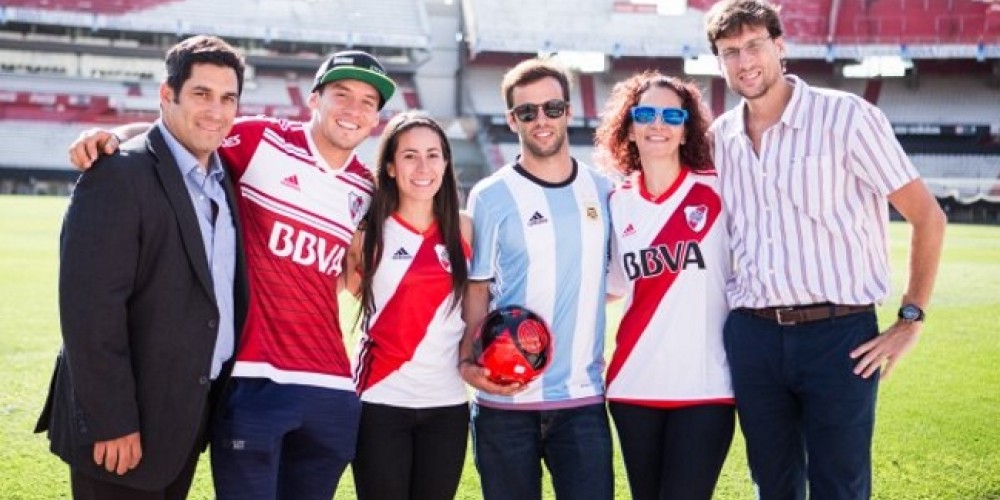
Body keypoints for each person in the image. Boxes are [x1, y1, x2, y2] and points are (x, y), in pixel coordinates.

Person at [67, 50, 396, 500]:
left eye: (367, 102)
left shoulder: (368, 189)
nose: (353, 109)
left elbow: (356, 269)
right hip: (253, 376)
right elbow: (184, 135)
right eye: (342, 94)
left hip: (331, 386)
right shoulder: (261, 139)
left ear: (377, 119)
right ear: (314, 99)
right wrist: (110, 136)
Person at [704, 1, 948, 498]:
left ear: (780, 46)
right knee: (773, 485)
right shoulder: (719, 138)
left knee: (840, 486)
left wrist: (911, 316)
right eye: (730, 52)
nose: (744, 61)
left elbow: (928, 216)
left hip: (839, 338)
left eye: (754, 46)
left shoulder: (847, 117)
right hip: (753, 337)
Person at [35, 35, 248, 500]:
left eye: (227, 98)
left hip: (185, 417)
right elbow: (90, 311)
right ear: (166, 96)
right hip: (123, 428)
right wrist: (112, 421)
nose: (216, 110)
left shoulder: (222, 179)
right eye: (201, 94)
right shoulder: (117, 175)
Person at [458, 57, 615, 500]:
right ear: (512, 120)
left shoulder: (603, 191)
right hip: (505, 402)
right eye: (527, 112)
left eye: (551, 108)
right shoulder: (491, 195)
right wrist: (471, 362)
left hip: (582, 402)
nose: (541, 120)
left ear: (568, 111)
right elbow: (477, 288)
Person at [594, 71, 735, 500]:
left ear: (686, 128)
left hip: (707, 388)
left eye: (672, 115)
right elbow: (612, 287)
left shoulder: (719, 189)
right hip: (633, 385)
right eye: (646, 113)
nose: (659, 124)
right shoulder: (617, 202)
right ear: (630, 127)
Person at [344, 111, 472, 500]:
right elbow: (339, 289)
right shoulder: (367, 232)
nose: (423, 166)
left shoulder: (465, 228)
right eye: (410, 155)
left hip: (448, 404)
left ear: (446, 163)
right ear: (390, 166)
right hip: (380, 400)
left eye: (433, 155)